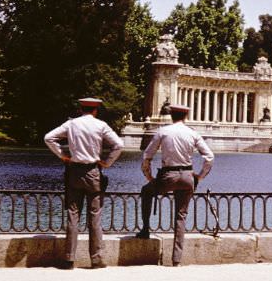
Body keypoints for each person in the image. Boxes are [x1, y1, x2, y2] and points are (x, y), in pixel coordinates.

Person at [44, 97, 124, 269]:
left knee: (73, 214)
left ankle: (69, 258)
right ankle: (96, 258)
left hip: (74, 171)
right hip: (93, 171)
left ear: (81, 109)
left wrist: (63, 156)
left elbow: (49, 138)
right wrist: (107, 162)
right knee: (95, 215)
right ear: (95, 110)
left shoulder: (71, 124)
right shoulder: (101, 125)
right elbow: (118, 144)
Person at [136, 104, 214, 266]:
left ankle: (145, 229)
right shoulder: (193, 133)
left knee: (146, 191)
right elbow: (209, 157)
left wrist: (149, 176)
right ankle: (176, 260)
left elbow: (147, 156)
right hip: (187, 177)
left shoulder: (163, 131)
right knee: (181, 216)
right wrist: (200, 176)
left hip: (168, 176)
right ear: (185, 116)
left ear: (171, 115)